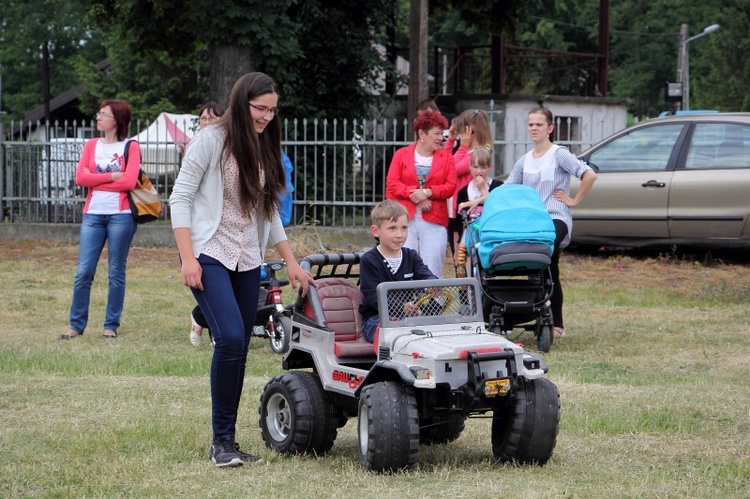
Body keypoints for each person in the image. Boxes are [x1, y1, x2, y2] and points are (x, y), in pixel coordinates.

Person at [170, 72, 315, 468]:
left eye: (272, 110)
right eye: (260, 108)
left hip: (248, 255)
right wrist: (187, 258)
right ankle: (221, 443)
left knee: (237, 345)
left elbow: (269, 212)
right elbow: (179, 198)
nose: (267, 117)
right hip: (209, 251)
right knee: (233, 337)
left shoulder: (265, 142)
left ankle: (228, 441)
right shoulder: (210, 140)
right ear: (241, 102)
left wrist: (291, 262)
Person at [505, 107, 597, 339]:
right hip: (532, 222)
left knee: (548, 260)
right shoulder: (524, 161)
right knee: (533, 266)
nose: (534, 128)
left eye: (539, 124)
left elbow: (589, 175)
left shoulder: (559, 154)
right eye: (530, 124)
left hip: (555, 218)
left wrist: (574, 200)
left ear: (550, 128)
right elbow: (506, 189)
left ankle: (557, 323)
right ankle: (537, 314)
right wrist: (475, 198)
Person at [60, 99, 140, 341]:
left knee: (116, 272)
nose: (98, 117)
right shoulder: (91, 145)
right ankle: (76, 325)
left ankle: (110, 326)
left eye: (103, 114)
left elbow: (129, 182)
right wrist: (113, 175)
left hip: (121, 216)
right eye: (99, 113)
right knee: (83, 272)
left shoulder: (131, 146)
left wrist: (96, 176)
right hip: (92, 215)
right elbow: (80, 179)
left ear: (117, 120)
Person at [385, 110, 456, 278]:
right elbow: (392, 183)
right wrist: (416, 196)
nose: (441, 138)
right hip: (404, 220)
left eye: (442, 133)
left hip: (434, 220)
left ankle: (434, 302)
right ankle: (404, 302)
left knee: (432, 266)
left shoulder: (446, 158)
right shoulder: (402, 154)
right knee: (403, 265)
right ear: (422, 133)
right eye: (437, 134)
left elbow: (451, 186)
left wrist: (428, 192)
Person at [358, 200, 438, 343]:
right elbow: (372, 297)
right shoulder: (369, 260)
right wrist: (400, 307)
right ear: (376, 231)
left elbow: (424, 273)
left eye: (404, 228)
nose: (400, 234)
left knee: (434, 333)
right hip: (377, 318)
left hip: (406, 319)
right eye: (392, 228)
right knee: (395, 336)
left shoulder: (411, 256)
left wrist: (431, 283)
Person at [188, 101, 226, 347]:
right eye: (203, 119)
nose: (207, 123)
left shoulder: (230, 149)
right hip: (203, 235)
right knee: (217, 298)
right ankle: (211, 327)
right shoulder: (195, 148)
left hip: (231, 235)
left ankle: (199, 318)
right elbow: (183, 195)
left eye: (213, 118)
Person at [445, 108, 493, 265]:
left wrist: (462, 146)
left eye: (461, 130)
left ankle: (471, 289)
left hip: (469, 211)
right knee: (458, 260)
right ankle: (464, 289)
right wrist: (451, 142)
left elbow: (451, 170)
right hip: (456, 209)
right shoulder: (466, 150)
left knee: (467, 259)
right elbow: (444, 164)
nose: (459, 134)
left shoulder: (479, 153)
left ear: (471, 129)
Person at [455, 146, 503, 276]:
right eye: (475, 167)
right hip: (469, 237)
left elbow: (495, 204)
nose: (479, 171)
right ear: (469, 166)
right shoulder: (464, 191)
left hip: (490, 234)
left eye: (483, 167)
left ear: (490, 167)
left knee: (489, 272)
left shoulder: (497, 186)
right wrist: (457, 247)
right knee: (469, 272)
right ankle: (470, 296)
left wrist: (482, 189)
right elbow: (457, 224)